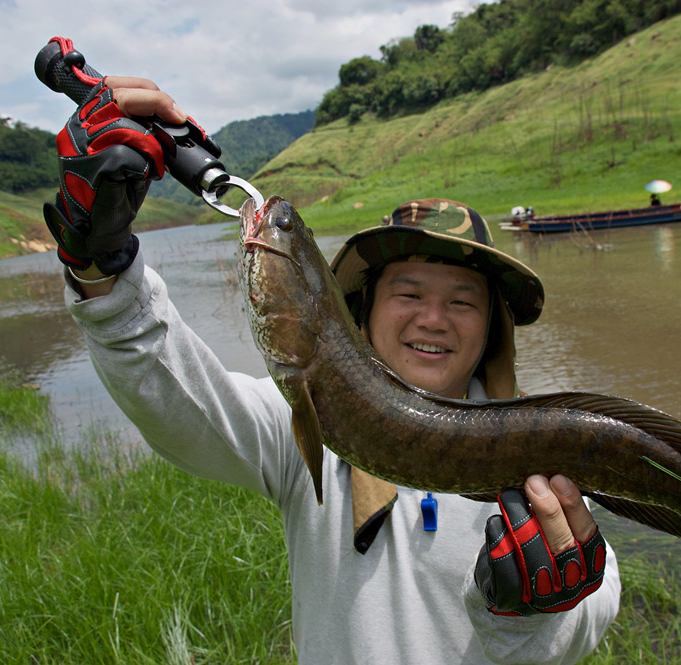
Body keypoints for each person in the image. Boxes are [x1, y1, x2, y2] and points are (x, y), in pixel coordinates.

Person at [43, 75, 621, 664]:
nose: (433, 319)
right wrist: (104, 268)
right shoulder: (303, 417)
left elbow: (596, 609)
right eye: (409, 292)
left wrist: (532, 613)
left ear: (492, 325)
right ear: (363, 311)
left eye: (463, 301)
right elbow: (180, 403)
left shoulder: (540, 450)